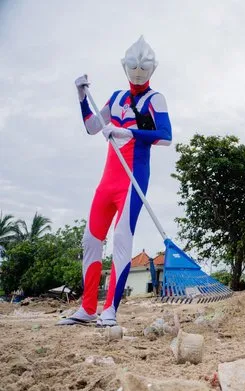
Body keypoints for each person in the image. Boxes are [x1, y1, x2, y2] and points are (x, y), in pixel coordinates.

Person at [58, 36, 172, 327]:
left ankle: (109, 310)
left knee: (122, 238)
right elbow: (91, 126)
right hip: (107, 182)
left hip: (132, 180)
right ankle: (86, 309)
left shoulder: (153, 99)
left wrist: (128, 133)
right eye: (133, 67)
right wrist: (82, 97)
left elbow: (165, 136)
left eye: (142, 68)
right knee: (91, 239)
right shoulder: (117, 97)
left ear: (151, 69)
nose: (137, 72)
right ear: (125, 67)